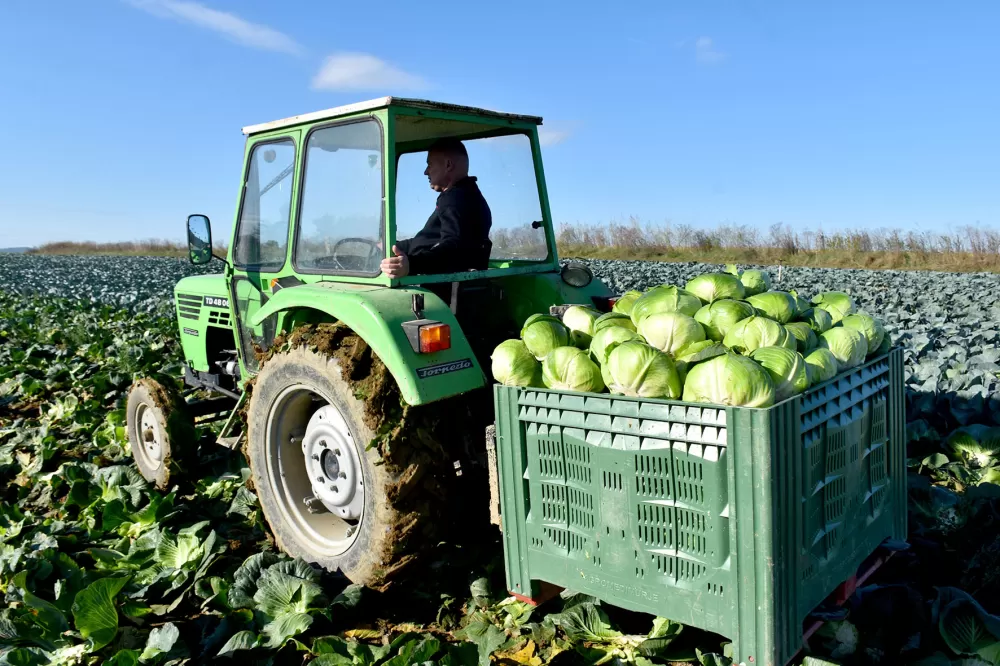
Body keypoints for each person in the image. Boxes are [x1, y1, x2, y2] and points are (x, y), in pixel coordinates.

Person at [380, 138, 492, 278]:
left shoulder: (454, 198)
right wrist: (391, 246)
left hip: (440, 285)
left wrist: (411, 265)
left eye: (430, 164)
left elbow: (453, 248)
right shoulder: (469, 195)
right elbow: (427, 240)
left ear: (448, 165)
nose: (426, 172)